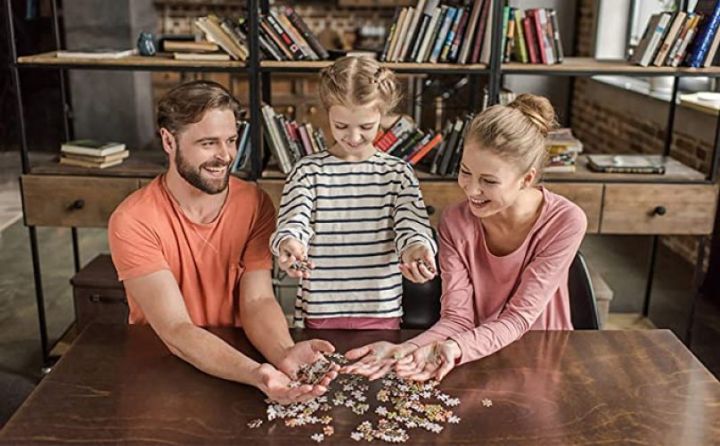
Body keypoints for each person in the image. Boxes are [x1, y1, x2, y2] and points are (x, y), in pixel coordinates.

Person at [108, 80, 335, 404]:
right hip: (163, 367)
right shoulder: (132, 219)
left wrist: (283, 354)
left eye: (230, 140)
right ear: (169, 140)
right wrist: (258, 374)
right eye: (208, 143)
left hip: (239, 361)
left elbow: (257, 300)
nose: (225, 155)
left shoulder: (255, 203)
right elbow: (175, 330)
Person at [344, 94, 587, 381]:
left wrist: (455, 348)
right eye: (465, 172)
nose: (471, 190)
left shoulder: (565, 221)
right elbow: (458, 319)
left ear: (527, 179)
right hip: (472, 356)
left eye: (489, 181)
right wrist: (405, 350)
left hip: (538, 360)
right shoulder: (455, 221)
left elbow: (519, 318)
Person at [269, 56, 437, 330]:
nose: (354, 137)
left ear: (383, 117)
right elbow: (293, 221)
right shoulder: (307, 171)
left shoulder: (397, 173)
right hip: (321, 308)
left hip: (380, 309)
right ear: (327, 113)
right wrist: (290, 244)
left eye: (366, 127)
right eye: (341, 126)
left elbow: (412, 225)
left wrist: (417, 248)